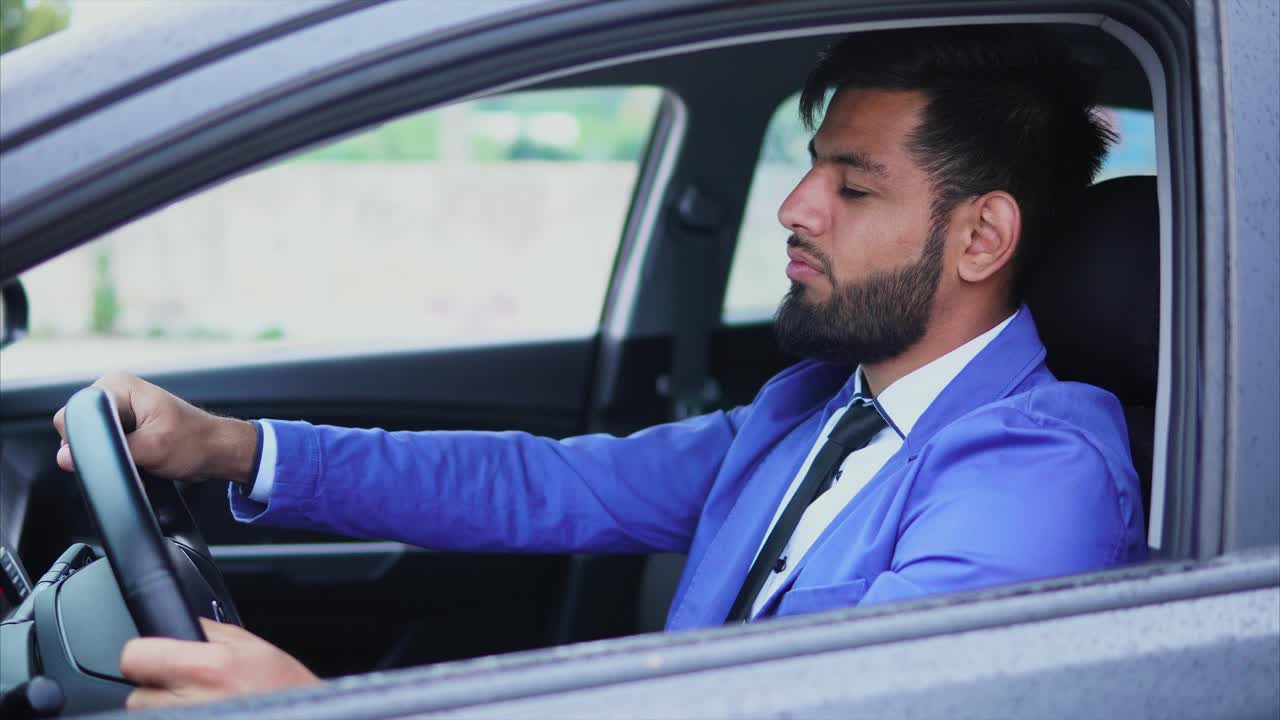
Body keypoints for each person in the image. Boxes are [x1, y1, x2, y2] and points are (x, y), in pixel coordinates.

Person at [52, 26, 1147, 708]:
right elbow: (549, 483)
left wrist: (321, 712)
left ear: (978, 237)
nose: (793, 208)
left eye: (851, 188)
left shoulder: (1033, 470)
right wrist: (234, 447)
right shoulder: (814, 408)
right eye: (809, 168)